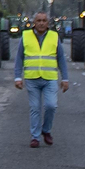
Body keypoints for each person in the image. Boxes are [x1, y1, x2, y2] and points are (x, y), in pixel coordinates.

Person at [13, 11, 69, 147]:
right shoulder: (26, 36)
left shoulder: (54, 36)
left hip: (50, 78)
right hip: (32, 78)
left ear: (48, 23)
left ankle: (46, 130)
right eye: (39, 20)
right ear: (34, 23)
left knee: (51, 106)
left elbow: (61, 58)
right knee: (35, 108)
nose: (41, 23)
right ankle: (35, 137)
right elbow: (19, 58)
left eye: (44, 20)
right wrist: (18, 77)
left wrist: (65, 79)